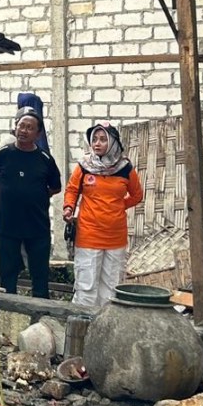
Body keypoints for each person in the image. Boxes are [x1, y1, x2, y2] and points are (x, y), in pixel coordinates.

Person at [62, 123, 143, 307]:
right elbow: (72, 190)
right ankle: (82, 330)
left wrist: (118, 206)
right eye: (94, 140)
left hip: (115, 238)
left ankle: (104, 330)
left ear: (113, 142)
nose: (97, 144)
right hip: (89, 235)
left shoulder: (125, 168)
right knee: (87, 287)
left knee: (111, 288)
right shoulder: (84, 166)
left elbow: (137, 195)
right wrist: (68, 208)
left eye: (103, 139)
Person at [0, 108, 61, 298]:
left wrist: (36, 197)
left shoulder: (45, 159)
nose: (24, 130)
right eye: (21, 126)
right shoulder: (3, 154)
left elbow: (55, 186)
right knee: (8, 275)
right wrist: (4, 197)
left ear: (38, 134)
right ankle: (8, 309)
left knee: (39, 274)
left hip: (37, 225)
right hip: (7, 224)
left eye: (30, 128)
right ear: (15, 128)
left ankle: (41, 314)